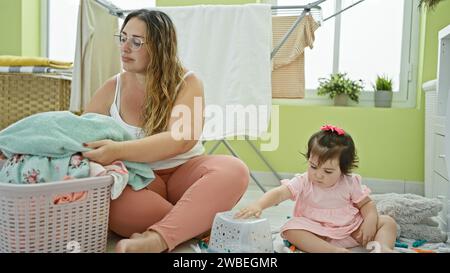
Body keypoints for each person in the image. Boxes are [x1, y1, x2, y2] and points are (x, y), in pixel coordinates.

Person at [82, 9, 249, 253]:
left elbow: (180, 139)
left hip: (185, 173)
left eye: (136, 42)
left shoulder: (187, 82)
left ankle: (157, 239)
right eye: (123, 38)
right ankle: (195, 223)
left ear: (160, 47)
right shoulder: (112, 87)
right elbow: (81, 133)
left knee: (234, 170)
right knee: (109, 196)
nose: (125, 47)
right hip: (140, 181)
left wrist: (117, 149)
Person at [235, 125, 397, 253]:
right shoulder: (304, 181)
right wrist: (259, 205)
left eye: (328, 171)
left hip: (350, 229)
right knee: (290, 229)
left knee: (387, 222)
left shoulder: (349, 182)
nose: (318, 175)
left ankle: (383, 248)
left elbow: (366, 205)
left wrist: (370, 221)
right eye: (313, 166)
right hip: (316, 232)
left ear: (343, 169)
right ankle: (332, 251)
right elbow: (279, 193)